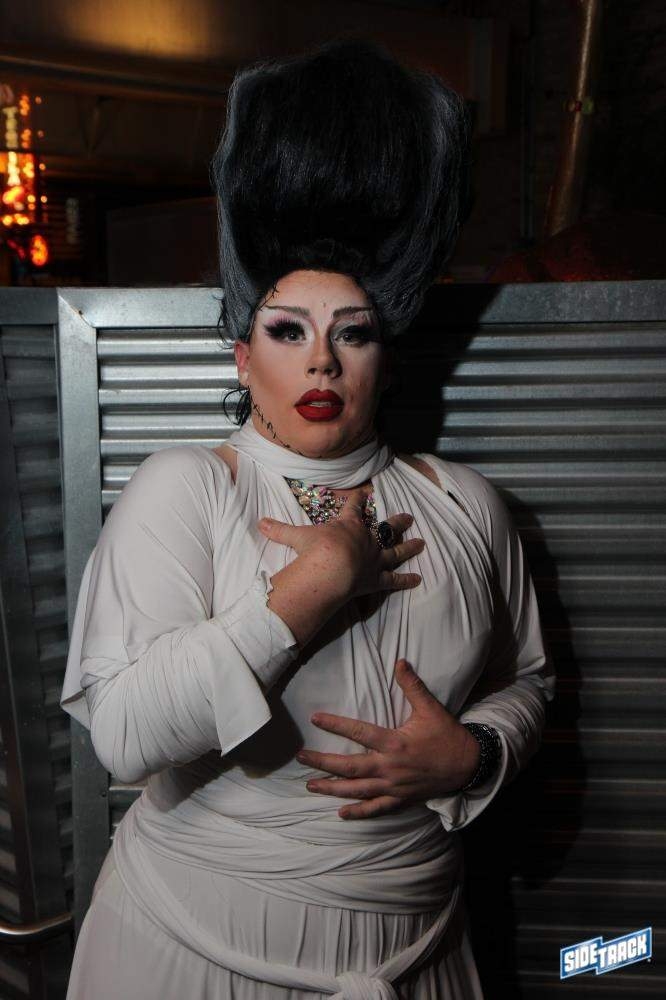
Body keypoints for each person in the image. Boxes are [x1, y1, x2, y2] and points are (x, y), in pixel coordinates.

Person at [60, 38, 555, 999]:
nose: (321, 361)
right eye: (287, 331)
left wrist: (477, 753)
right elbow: (122, 736)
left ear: (386, 358)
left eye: (352, 333)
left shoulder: (467, 504)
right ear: (243, 357)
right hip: (185, 957)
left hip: (420, 957)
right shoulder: (184, 487)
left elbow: (527, 678)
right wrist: (307, 591)